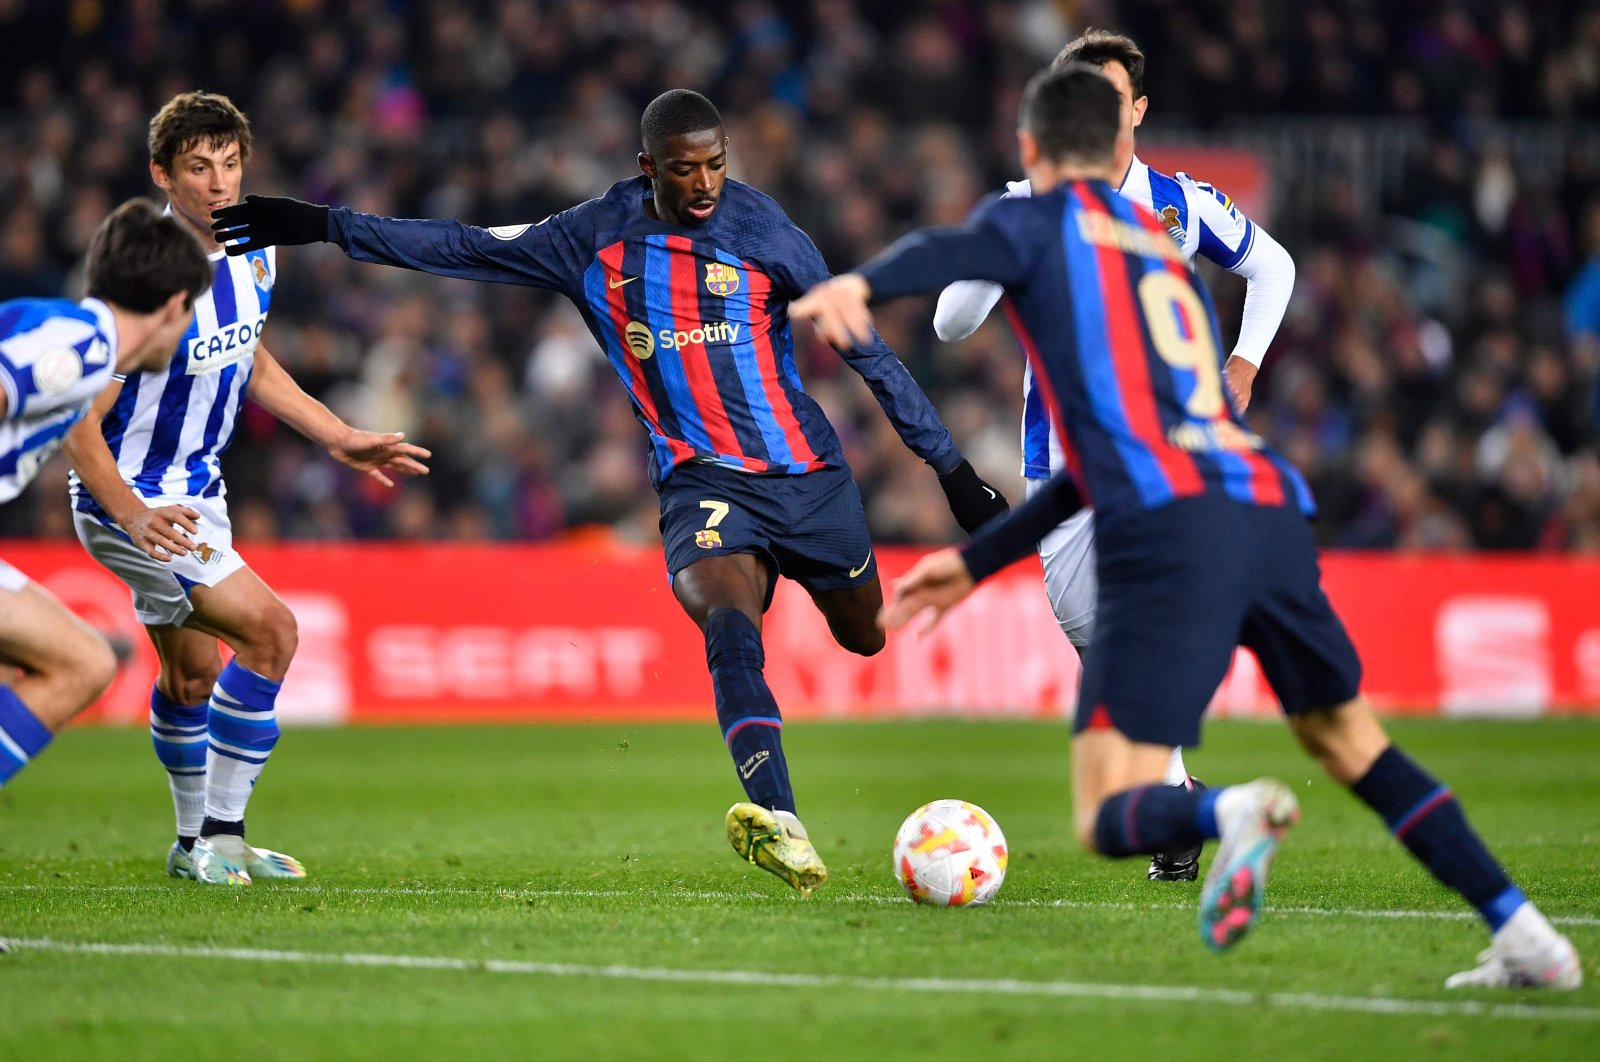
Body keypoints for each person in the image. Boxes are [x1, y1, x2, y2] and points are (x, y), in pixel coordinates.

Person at [792, 64, 1580, 988]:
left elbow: (940, 264)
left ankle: (1227, 812)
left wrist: (860, 282)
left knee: (1106, 808)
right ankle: (1529, 937)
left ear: (1034, 149)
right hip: (1263, 500)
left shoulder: (1038, 218)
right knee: (1352, 743)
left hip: (1169, 524)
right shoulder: (1156, 240)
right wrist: (980, 563)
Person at [209, 88, 1009, 896]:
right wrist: (319, 223)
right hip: (702, 483)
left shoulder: (766, 229)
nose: (703, 185)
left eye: (716, 166)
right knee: (728, 627)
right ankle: (783, 823)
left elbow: (868, 351)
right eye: (685, 170)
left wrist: (952, 471)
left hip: (810, 480)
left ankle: (801, 726)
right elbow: (457, 244)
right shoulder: (591, 237)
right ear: (645, 168)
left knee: (867, 636)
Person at [935, 30, 1298, 882]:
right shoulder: (1028, 202)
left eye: (1111, 96)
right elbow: (952, 324)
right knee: (1095, 630)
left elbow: (1273, 268)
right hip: (1060, 463)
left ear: (1136, 109)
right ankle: (1180, 797)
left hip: (1163, 458)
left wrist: (1243, 364)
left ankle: (1178, 811)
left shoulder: (1180, 205)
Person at [64, 92, 431, 887]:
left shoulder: (257, 248)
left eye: (230, 164)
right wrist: (131, 513)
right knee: (272, 633)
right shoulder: (143, 273)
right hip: (132, 498)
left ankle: (191, 842)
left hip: (198, 489)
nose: (219, 182)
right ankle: (222, 840)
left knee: (193, 676)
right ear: (162, 174)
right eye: (199, 167)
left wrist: (338, 434)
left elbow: (249, 357)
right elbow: (77, 419)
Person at [2, 200, 210, 790]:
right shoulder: (84, 347)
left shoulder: (79, 350)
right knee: (82, 662)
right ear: (175, 306)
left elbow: (67, 428)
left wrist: (132, 514)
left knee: (83, 659)